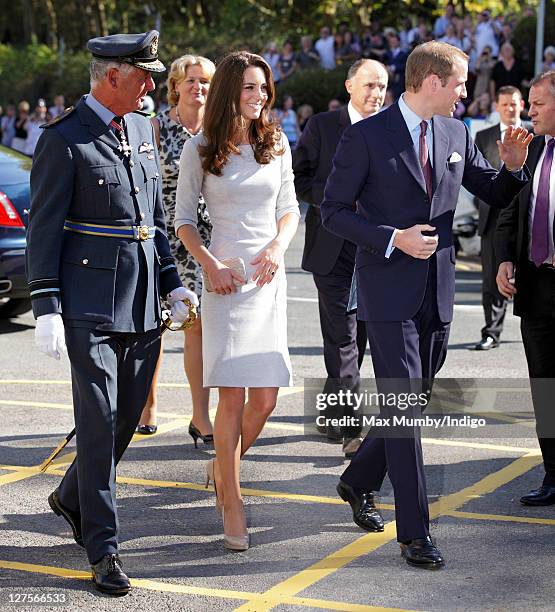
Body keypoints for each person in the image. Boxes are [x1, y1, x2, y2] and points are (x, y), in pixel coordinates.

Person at [321, 41, 531, 569]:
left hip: (436, 293)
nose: (467, 92)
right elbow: (333, 213)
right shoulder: (365, 135)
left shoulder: (455, 132)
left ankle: (357, 478)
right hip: (387, 291)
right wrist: (393, 238)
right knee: (406, 410)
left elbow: (494, 192)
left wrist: (511, 168)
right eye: (460, 83)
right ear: (431, 81)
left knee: (412, 400)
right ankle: (415, 532)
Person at [26, 31, 196, 594]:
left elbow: (153, 216)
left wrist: (171, 283)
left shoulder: (143, 128)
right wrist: (46, 304)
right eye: (145, 74)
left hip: (144, 300)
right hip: (89, 305)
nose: (153, 84)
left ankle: (71, 496)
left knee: (125, 418)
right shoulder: (64, 138)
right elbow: (44, 228)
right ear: (112, 76)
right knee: (98, 422)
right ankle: (103, 547)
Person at [175, 51, 300, 551]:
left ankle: (222, 467)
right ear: (230, 90)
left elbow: (289, 210)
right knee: (231, 398)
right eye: (249, 87)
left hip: (268, 279)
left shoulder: (276, 141)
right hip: (224, 282)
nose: (259, 96)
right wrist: (211, 266)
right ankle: (233, 499)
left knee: (265, 398)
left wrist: (275, 248)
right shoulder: (201, 147)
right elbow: (183, 220)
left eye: (263, 87)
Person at [293, 59, 388, 460]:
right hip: (333, 247)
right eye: (369, 85)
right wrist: (336, 200)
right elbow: (299, 179)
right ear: (350, 85)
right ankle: (351, 426)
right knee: (343, 336)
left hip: (377, 250)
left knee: (361, 336)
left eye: (382, 86)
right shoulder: (321, 126)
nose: (376, 93)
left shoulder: (391, 128)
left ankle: (334, 412)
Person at [136, 54, 216, 443]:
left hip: (202, 241)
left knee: (195, 325)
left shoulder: (219, 131)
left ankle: (200, 417)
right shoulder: (153, 129)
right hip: (161, 237)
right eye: (191, 80)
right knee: (154, 327)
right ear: (176, 86)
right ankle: (147, 404)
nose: (198, 87)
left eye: (205, 81)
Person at [495, 70, 555, 507]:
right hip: (536, 289)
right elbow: (510, 210)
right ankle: (553, 474)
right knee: (545, 390)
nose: (528, 111)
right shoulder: (529, 151)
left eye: (537, 103)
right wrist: (503, 258)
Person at [473, 86, 525, 350]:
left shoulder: (536, 134)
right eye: (504, 104)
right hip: (493, 217)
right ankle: (492, 332)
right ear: (497, 107)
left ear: (522, 104)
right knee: (491, 279)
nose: (509, 109)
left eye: (513, 104)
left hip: (528, 216)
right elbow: (475, 178)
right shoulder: (483, 137)